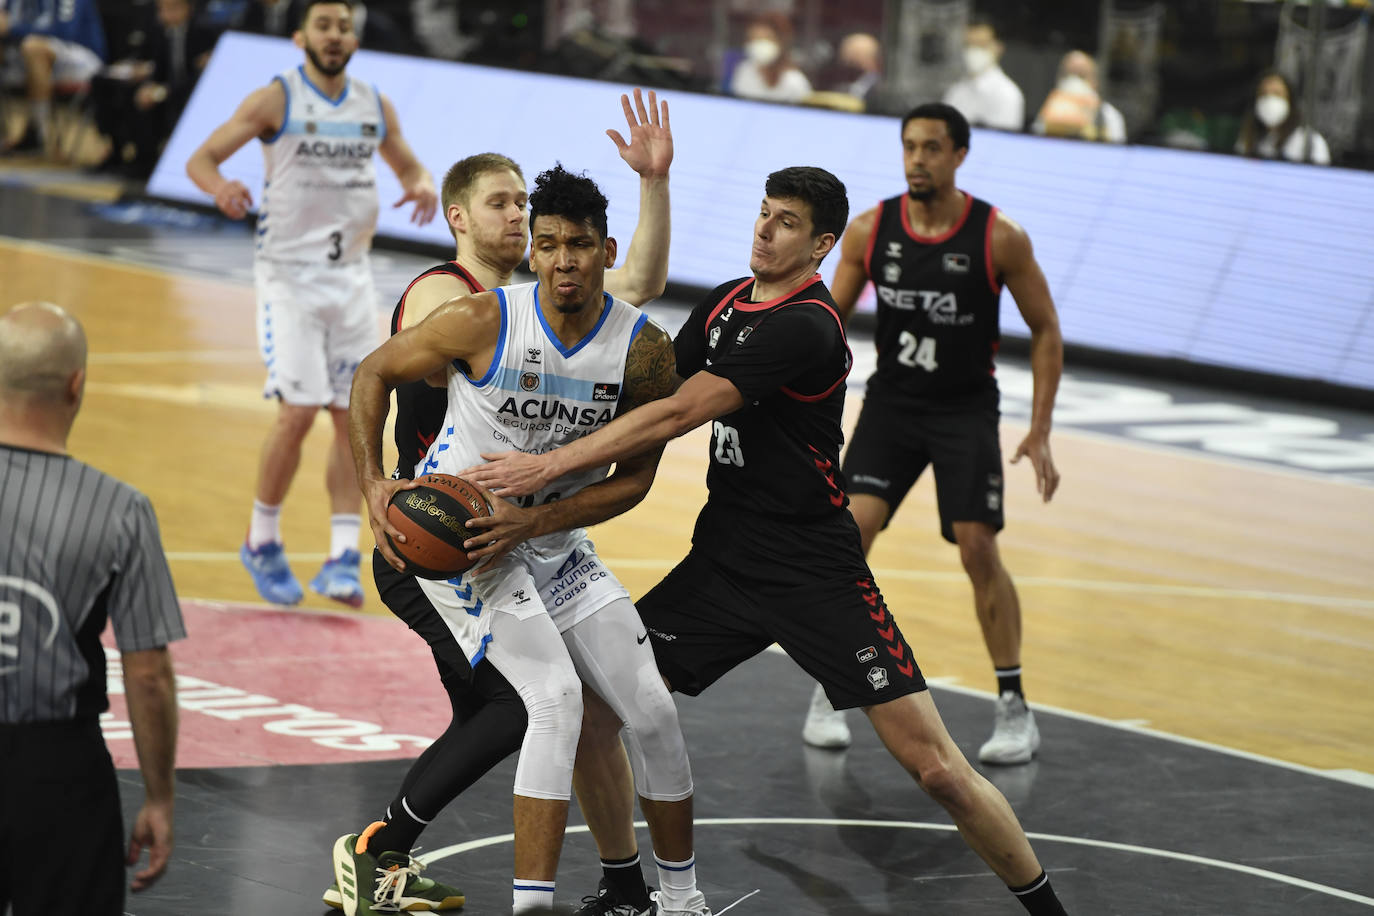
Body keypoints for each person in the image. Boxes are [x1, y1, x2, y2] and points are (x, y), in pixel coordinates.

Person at [460, 166, 1071, 915]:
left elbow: (678, 412)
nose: (763, 228)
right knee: (595, 711)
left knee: (936, 769)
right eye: (761, 213)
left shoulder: (807, 324)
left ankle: (1047, 909)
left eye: (784, 221)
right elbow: (638, 385)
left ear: (821, 244)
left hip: (816, 572)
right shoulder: (723, 302)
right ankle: (626, 888)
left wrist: (548, 464)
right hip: (723, 564)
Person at [319, 90, 682, 916]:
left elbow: (641, 288)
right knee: (525, 708)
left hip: (523, 540)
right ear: (459, 216)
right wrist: (377, 484)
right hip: (443, 541)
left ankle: (623, 883)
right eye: (507, 205)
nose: (522, 221)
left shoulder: (558, 292)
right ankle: (380, 848)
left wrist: (654, 186)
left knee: (574, 710)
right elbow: (378, 372)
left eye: (531, 208)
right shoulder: (454, 303)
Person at [800, 102, 1063, 761]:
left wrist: (1040, 429)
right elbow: (823, 327)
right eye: (909, 146)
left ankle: (1014, 707)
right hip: (893, 404)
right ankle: (836, 687)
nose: (917, 159)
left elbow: (1047, 331)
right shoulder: (871, 229)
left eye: (931, 148)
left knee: (978, 546)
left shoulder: (998, 236)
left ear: (959, 155)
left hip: (964, 408)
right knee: (847, 539)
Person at [185, 0, 437, 609]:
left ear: (355, 37)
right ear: (301, 36)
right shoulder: (277, 99)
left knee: (352, 418)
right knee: (297, 412)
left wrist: (422, 184)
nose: (335, 35)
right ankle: (262, 539)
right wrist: (222, 187)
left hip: (350, 280)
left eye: (344, 26)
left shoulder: (374, 104)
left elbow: (407, 164)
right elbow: (201, 159)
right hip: (289, 279)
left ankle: (340, 556)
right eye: (324, 25)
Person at [0, 302, 185, 916]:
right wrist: (159, 799)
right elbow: (149, 675)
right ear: (76, 384)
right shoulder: (119, 509)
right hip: (52, 773)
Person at [0, 0, 106, 154]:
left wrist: (13, 28)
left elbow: (65, 32)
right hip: (31, 55)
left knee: (33, 47)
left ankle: (37, 133)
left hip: (80, 55)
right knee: (29, 48)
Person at [1234, 69, 1331, 166]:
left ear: (1289, 101)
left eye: (1277, 94)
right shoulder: (1247, 139)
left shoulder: (1310, 143)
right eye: (1264, 94)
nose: (1269, 99)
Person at [943, 21, 1025, 132]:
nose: (973, 51)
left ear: (998, 48)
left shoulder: (1008, 95)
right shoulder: (956, 91)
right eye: (968, 45)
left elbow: (1002, 143)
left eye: (981, 45)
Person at [1032, 50, 1126, 143]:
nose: (1074, 81)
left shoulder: (1109, 116)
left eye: (1082, 76)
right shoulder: (1047, 112)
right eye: (1067, 74)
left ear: (1095, 81)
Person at [728, 11, 812, 105]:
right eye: (754, 39)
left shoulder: (794, 81)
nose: (759, 44)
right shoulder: (744, 70)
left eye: (766, 39)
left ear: (781, 42)